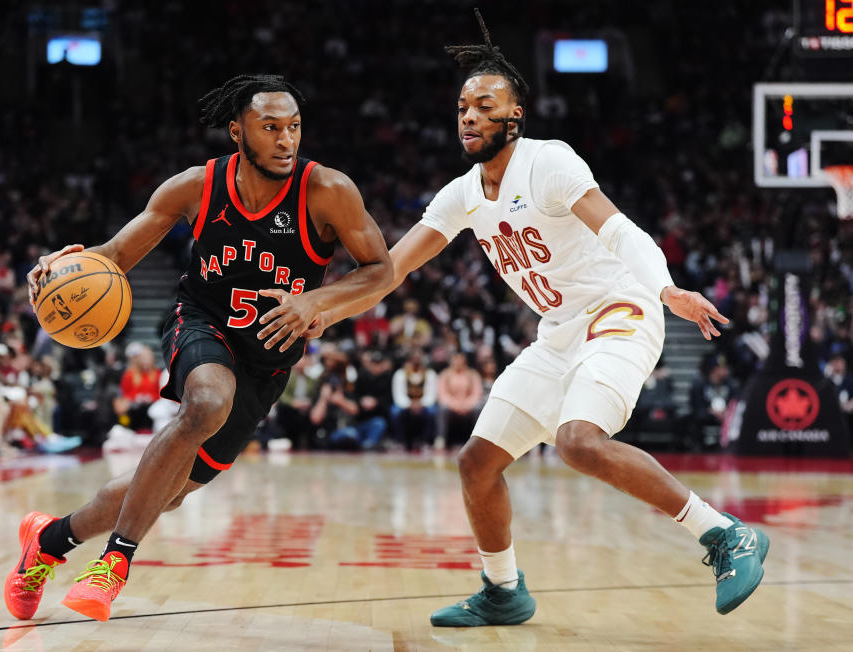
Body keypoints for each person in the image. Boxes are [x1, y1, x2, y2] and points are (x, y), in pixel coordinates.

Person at [308, 12, 767, 625]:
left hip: (620, 308)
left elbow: (620, 229)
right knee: (477, 462)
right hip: (558, 333)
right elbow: (391, 270)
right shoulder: (461, 193)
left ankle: (724, 534)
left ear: (515, 116)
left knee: (578, 441)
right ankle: (503, 589)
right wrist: (321, 311)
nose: (469, 115)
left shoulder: (548, 162)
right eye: (462, 105)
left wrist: (665, 289)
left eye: (484, 104)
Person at [4, 74, 392, 622]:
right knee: (207, 402)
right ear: (238, 132)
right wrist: (61, 267)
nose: (287, 140)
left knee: (171, 489)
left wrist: (319, 303)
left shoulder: (327, 191)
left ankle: (47, 541)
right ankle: (114, 563)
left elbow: (382, 270)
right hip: (200, 321)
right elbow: (114, 254)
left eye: (295, 128)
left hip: (269, 357)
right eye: (271, 127)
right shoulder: (194, 186)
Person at [435, 351, 484, 449]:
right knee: (442, 408)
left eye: (460, 359)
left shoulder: (472, 374)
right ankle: (441, 439)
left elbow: (477, 393)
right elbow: (442, 394)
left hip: (468, 407)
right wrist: (456, 405)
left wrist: (466, 405)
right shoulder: (445, 374)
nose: (458, 362)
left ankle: (478, 440)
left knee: (478, 407)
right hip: (451, 407)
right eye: (456, 359)